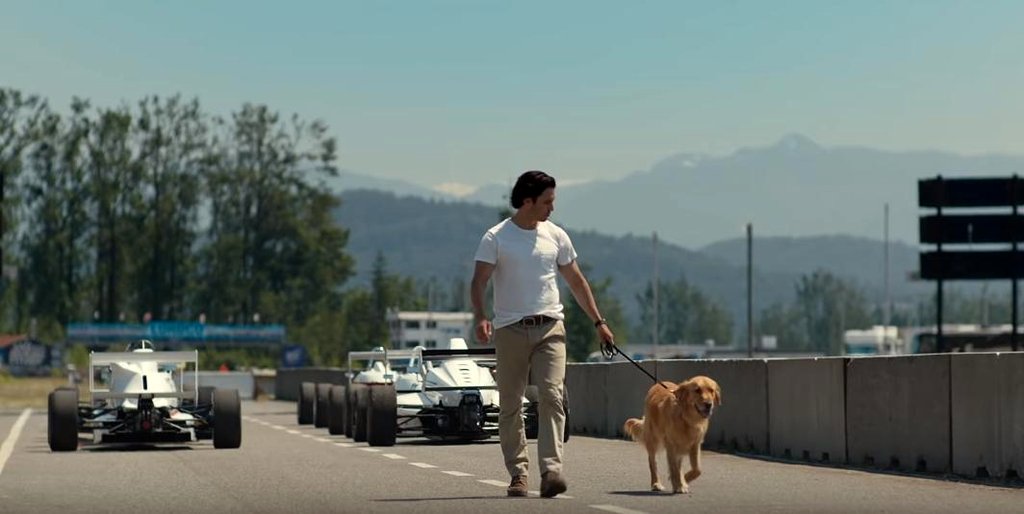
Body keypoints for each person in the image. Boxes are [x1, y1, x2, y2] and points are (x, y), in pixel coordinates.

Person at [471, 170, 615, 498]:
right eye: (547, 201)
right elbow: (478, 281)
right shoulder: (496, 237)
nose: (552, 208)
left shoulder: (557, 236)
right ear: (527, 201)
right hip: (510, 330)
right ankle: (518, 474)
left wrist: (599, 322)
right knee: (510, 404)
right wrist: (481, 316)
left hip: (550, 327)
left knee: (552, 395)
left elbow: (577, 282)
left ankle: (551, 471)